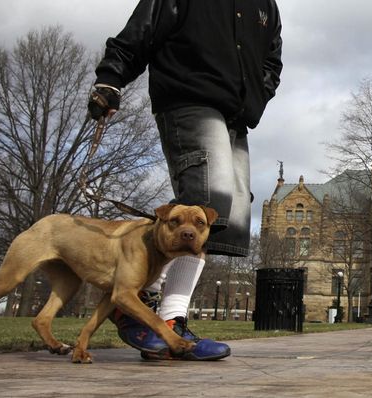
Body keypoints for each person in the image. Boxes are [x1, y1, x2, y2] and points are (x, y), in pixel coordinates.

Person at [88, 0, 283, 361]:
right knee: (209, 196)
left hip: (235, 113)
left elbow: (272, 60)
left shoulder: (266, 6)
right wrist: (111, 78)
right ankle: (149, 311)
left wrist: (257, 93)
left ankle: (159, 311)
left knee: (220, 218)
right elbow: (141, 30)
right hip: (188, 98)